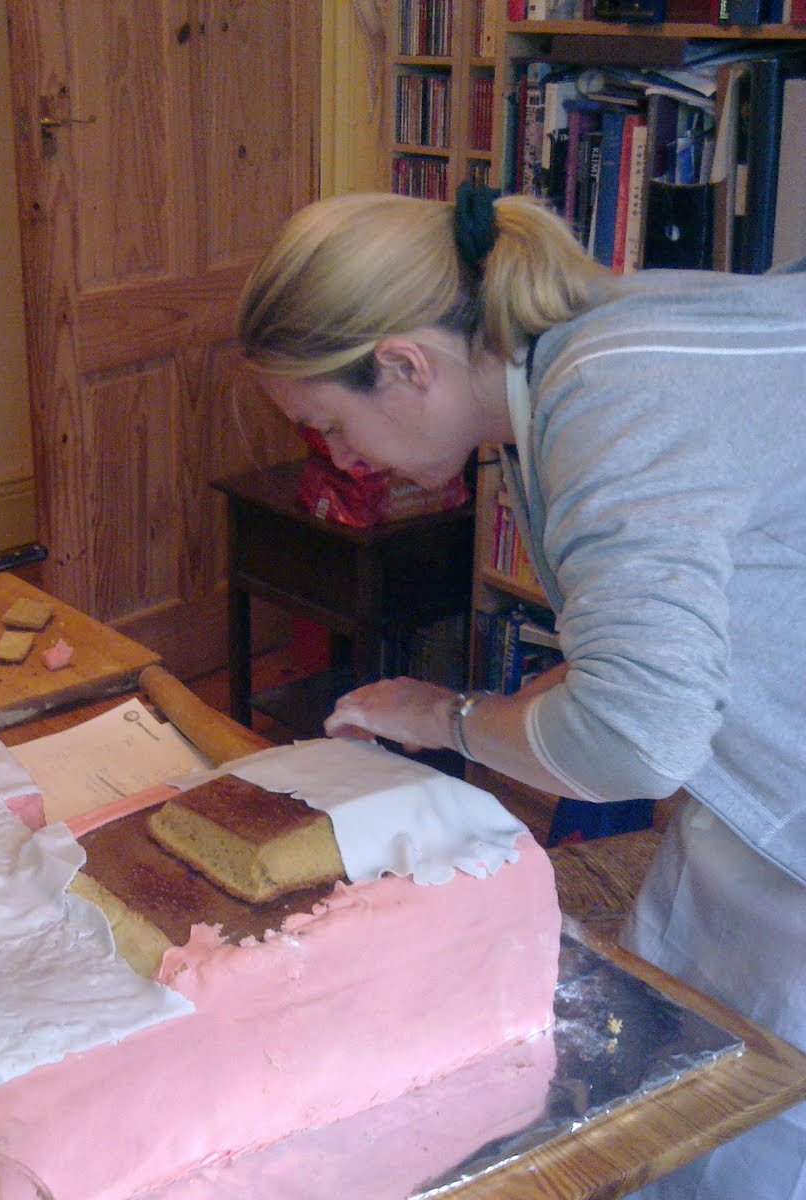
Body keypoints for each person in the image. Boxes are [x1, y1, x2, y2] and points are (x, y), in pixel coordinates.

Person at [236, 183, 806, 1200]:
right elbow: (645, 652)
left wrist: (445, 719)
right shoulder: (585, 356)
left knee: (753, 1132)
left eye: (328, 424)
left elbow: (633, 743)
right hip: (750, 778)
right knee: (675, 1059)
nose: (341, 458)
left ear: (405, 365)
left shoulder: (610, 405)